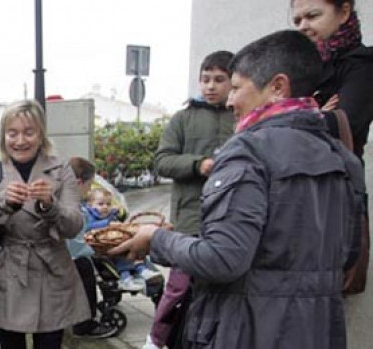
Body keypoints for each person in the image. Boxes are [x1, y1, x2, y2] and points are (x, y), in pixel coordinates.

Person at [111, 30, 365, 349]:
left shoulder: (248, 150)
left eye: (236, 87)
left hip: (248, 330)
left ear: (277, 87)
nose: (230, 100)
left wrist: (155, 238)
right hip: (319, 331)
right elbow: (349, 255)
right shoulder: (343, 158)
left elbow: (222, 259)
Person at [0, 100, 89, 349]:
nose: (20, 141)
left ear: (41, 135)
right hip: (9, 272)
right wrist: (2, 202)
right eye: (12, 133)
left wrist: (50, 205)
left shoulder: (61, 168)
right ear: (3, 136)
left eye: (29, 132)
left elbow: (74, 225)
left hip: (53, 272)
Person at [145, 50, 236, 349]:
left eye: (219, 79)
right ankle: (157, 341)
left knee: (223, 290)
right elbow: (162, 161)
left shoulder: (242, 115)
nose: (210, 86)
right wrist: (199, 165)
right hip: (191, 218)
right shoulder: (184, 118)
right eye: (205, 79)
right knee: (179, 288)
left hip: (232, 218)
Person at [292, 0, 373, 160]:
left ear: (344, 12)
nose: (302, 26)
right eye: (297, 21)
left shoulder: (362, 64)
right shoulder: (301, 66)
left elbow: (342, 125)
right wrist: (315, 115)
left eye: (312, 16)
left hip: (335, 177)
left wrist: (290, 114)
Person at [67, 157, 118, 339]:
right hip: (63, 260)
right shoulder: (72, 206)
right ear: (79, 182)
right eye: (89, 186)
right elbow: (77, 247)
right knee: (85, 266)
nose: (88, 191)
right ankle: (84, 324)